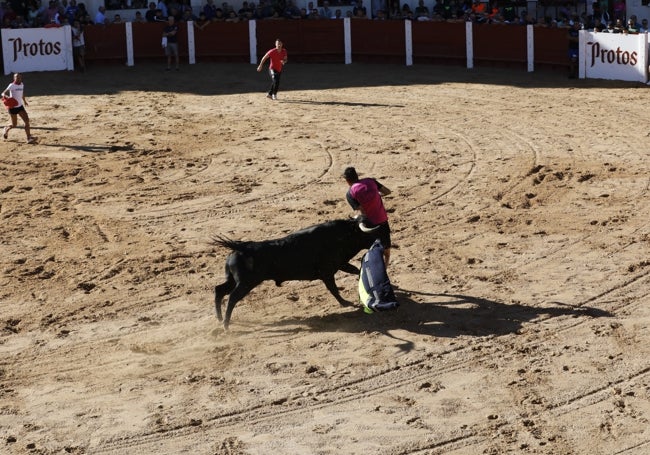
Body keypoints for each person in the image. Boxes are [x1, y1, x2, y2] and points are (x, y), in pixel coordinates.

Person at [343, 166, 392, 266]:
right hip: (382, 219)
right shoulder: (371, 181)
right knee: (386, 247)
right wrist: (377, 196)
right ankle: (385, 266)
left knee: (371, 247)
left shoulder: (350, 193)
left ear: (347, 181)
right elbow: (387, 191)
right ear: (357, 176)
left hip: (369, 224)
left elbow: (361, 210)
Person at [2, 73, 36, 144]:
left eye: (19, 77)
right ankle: (6, 129)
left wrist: (24, 101)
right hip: (12, 107)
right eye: (17, 77)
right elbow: (3, 93)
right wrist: (6, 96)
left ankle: (28, 137)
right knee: (14, 125)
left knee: (27, 121)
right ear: (14, 78)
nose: (18, 79)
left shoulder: (22, 84)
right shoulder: (12, 85)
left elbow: (22, 93)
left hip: (20, 106)